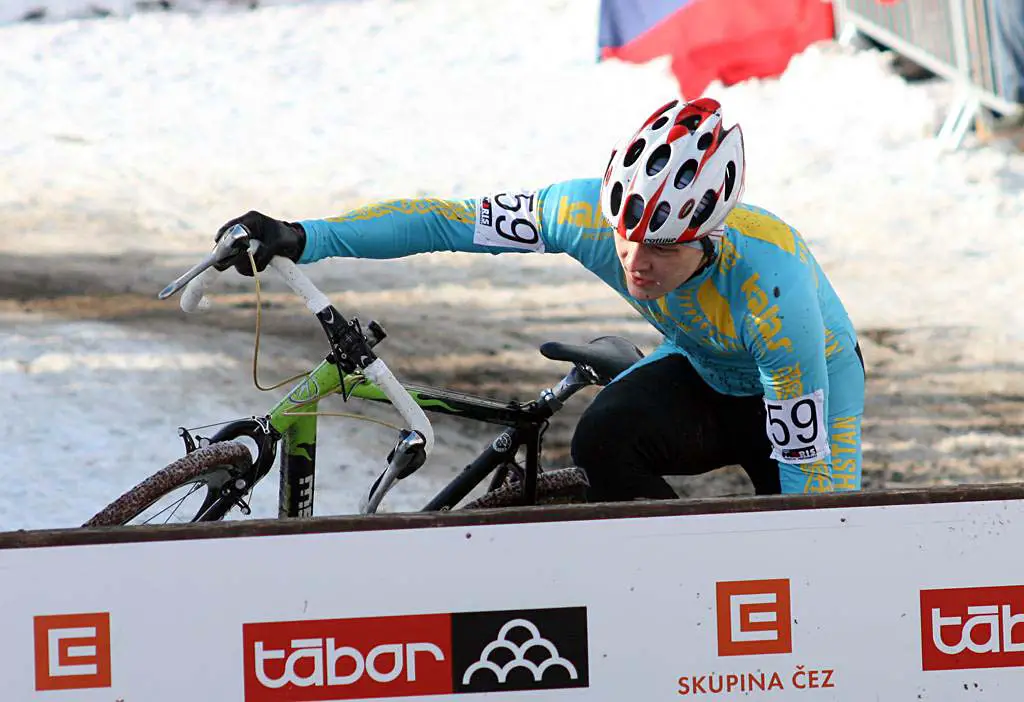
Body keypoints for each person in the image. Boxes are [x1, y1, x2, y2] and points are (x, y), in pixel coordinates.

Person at [216, 97, 866, 499]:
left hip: (808, 391)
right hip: (704, 367)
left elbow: (805, 479)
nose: (637, 263)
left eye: (663, 248)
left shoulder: (770, 288)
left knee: (814, 544)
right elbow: (445, 221)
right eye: (626, 237)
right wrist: (303, 236)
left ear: (710, 238)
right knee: (603, 439)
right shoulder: (579, 215)